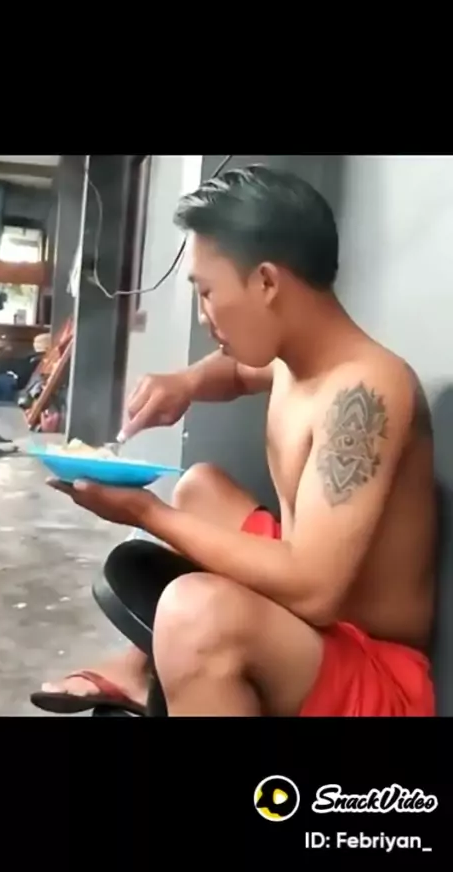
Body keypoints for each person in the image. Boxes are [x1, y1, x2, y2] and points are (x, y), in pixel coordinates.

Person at [31, 164, 437, 717]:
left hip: (374, 669)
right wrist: (186, 383)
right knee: (200, 489)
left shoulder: (366, 392)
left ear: (266, 282)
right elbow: (240, 372)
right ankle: (142, 670)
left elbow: (315, 590)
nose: (205, 316)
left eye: (207, 292)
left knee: (193, 615)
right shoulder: (301, 359)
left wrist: (145, 513)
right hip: (315, 626)